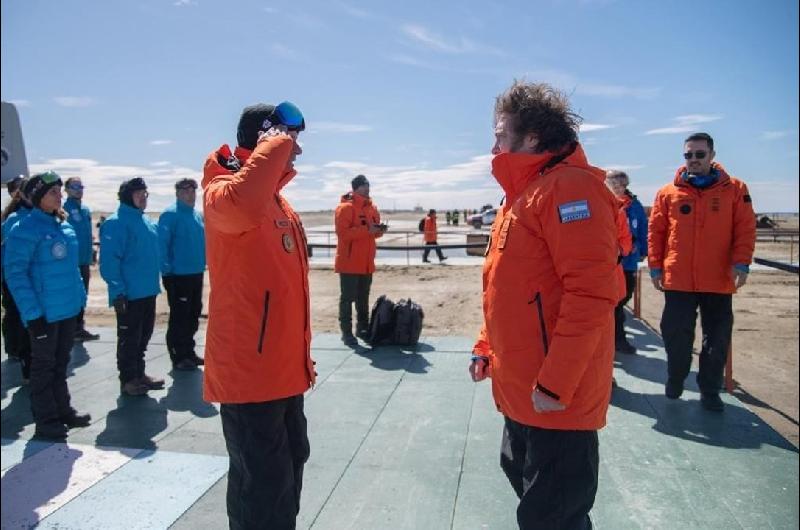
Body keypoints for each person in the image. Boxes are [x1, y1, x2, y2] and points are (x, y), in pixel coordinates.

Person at [469, 81, 618, 529]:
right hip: (522, 388)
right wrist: (485, 346)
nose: (493, 143)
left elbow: (591, 295)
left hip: (556, 398)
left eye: (500, 133)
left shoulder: (569, 189)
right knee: (529, 492)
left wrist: (555, 385)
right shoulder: (521, 196)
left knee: (552, 517)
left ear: (531, 137)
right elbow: (505, 288)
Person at [203, 101, 316, 529]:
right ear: (267, 138)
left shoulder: (278, 203)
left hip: (284, 373)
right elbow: (241, 205)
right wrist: (276, 144)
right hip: (249, 375)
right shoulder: (222, 191)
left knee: (286, 479)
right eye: (290, 140)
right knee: (262, 490)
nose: (296, 151)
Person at [648, 132, 756, 412]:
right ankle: (676, 377)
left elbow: (745, 229)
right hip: (678, 279)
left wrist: (741, 263)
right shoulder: (667, 193)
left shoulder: (735, 189)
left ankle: (710, 390)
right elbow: (656, 232)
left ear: (712, 155)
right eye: (688, 155)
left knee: (717, 338)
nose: (693, 160)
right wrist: (655, 266)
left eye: (699, 154)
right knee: (675, 333)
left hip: (718, 278)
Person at [4, 172, 91, 439]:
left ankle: (63, 411)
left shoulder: (63, 226)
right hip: (43, 314)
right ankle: (46, 421)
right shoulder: (25, 228)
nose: (59, 195)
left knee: (60, 363)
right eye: (53, 192)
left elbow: (72, 270)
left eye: (58, 191)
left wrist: (79, 302)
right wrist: (32, 314)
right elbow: (15, 274)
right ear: (38, 197)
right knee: (43, 368)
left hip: (66, 310)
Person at [99, 177, 164, 396]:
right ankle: (128, 379)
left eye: (145, 194)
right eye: (138, 195)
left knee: (144, 336)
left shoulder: (145, 221)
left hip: (148, 290)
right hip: (129, 294)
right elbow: (109, 261)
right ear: (127, 196)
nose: (143, 199)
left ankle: (139, 373)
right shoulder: (115, 223)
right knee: (129, 339)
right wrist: (118, 291)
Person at [158, 178, 206, 371]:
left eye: (193, 190)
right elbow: (162, 245)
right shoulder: (170, 215)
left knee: (193, 314)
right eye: (185, 191)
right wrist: (167, 272)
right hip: (178, 275)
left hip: (196, 272)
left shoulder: (196, 215)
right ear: (177, 193)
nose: (190, 194)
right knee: (180, 316)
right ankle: (178, 356)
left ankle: (189, 352)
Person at [334, 174, 386, 346]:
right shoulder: (345, 208)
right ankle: (346, 333)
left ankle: (362, 329)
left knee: (363, 298)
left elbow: (373, 233)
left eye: (368, 185)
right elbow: (343, 234)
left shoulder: (372, 208)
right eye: (364, 186)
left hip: (366, 263)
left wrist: (379, 230)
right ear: (355, 188)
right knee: (347, 298)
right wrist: (367, 230)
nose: (368, 188)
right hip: (349, 263)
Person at [606, 170, 646, 354]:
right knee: (615, 305)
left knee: (623, 297)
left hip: (627, 261)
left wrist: (641, 250)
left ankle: (616, 340)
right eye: (614, 184)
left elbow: (642, 230)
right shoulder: (603, 205)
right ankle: (617, 341)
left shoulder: (634, 207)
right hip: (608, 265)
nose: (618, 188)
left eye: (621, 184)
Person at [2, 177, 33, 375]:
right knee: (14, 312)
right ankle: (16, 351)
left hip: (33, 278)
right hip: (12, 275)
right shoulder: (12, 220)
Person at [63, 177, 100, 341]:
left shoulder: (85, 210)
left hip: (84, 260)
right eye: (74, 186)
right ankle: (70, 330)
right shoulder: (65, 209)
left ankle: (79, 327)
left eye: (81, 186)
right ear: (67, 190)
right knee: (72, 296)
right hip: (71, 263)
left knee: (82, 295)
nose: (79, 189)